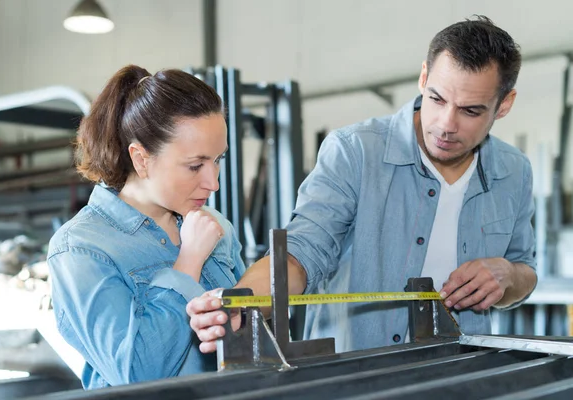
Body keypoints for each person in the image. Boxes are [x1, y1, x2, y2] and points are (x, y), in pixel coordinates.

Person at [187, 15, 537, 355]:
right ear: (423, 77)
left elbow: (524, 271)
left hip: (460, 375)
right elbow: (303, 252)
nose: (446, 124)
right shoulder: (355, 152)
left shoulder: (514, 172)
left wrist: (507, 276)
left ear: (504, 105)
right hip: (357, 378)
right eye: (437, 99)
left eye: (470, 111)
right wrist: (241, 301)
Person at [47, 65, 246, 389]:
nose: (213, 183)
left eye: (217, 160)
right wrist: (189, 263)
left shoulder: (215, 227)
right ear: (141, 159)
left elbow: (253, 344)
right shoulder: (81, 249)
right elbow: (135, 373)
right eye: (195, 165)